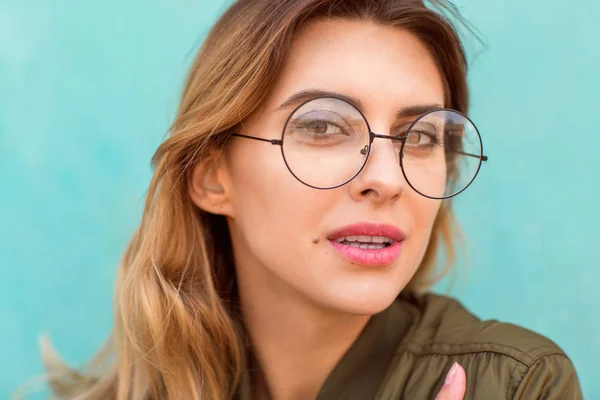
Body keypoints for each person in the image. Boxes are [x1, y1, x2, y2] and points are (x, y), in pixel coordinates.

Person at [38, 0, 583, 399]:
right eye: (322, 126)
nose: (387, 179)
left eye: (419, 137)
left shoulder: (515, 384)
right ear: (211, 178)